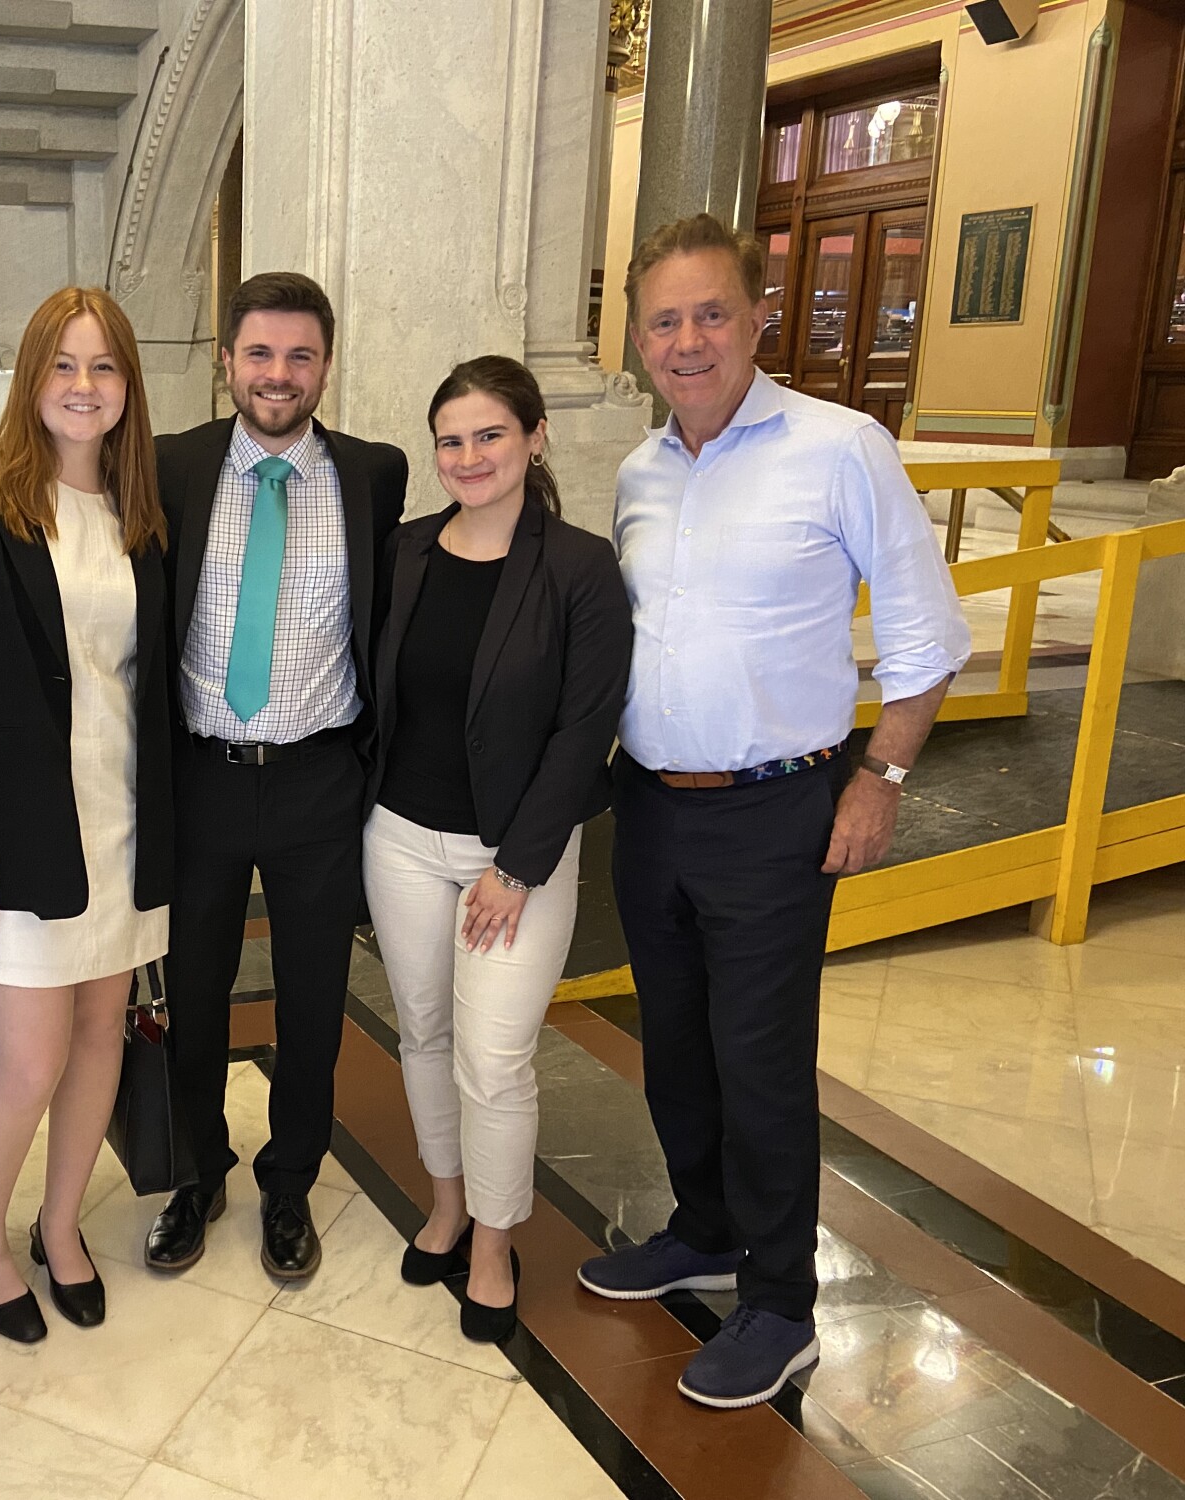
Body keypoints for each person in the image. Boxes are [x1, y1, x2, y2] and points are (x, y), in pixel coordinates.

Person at [578, 214, 970, 1408]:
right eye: (663, 320)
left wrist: (879, 777)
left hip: (774, 812)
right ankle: (700, 1228)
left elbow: (923, 634)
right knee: (676, 1048)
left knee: (757, 1061)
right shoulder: (639, 473)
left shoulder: (839, 446)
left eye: (709, 313)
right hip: (647, 808)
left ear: (756, 316)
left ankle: (780, 1303)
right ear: (638, 339)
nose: (687, 340)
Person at [0, 286, 171, 1342]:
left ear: (126, 388)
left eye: (102, 367)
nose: (82, 387)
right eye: (62, 365)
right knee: (26, 1060)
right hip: (18, 837)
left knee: (102, 1031)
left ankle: (61, 1228)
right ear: (30, 379)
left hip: (121, 823)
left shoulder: (140, 513)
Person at [362, 357, 631, 1344]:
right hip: (395, 836)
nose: (467, 457)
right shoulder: (401, 553)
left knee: (495, 1057)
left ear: (531, 439)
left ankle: (490, 1240)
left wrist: (516, 865)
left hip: (514, 854)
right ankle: (443, 1200)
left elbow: (583, 726)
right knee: (424, 1034)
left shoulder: (577, 568)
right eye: (450, 440)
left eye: (488, 436)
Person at [150, 272, 407, 1282]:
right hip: (200, 776)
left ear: (325, 367)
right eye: (258, 353)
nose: (277, 374)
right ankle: (195, 1172)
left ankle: (290, 1180)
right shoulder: (171, 467)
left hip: (317, 782)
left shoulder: (372, 475)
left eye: (299, 356)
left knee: (312, 1001)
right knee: (195, 993)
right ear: (225, 361)